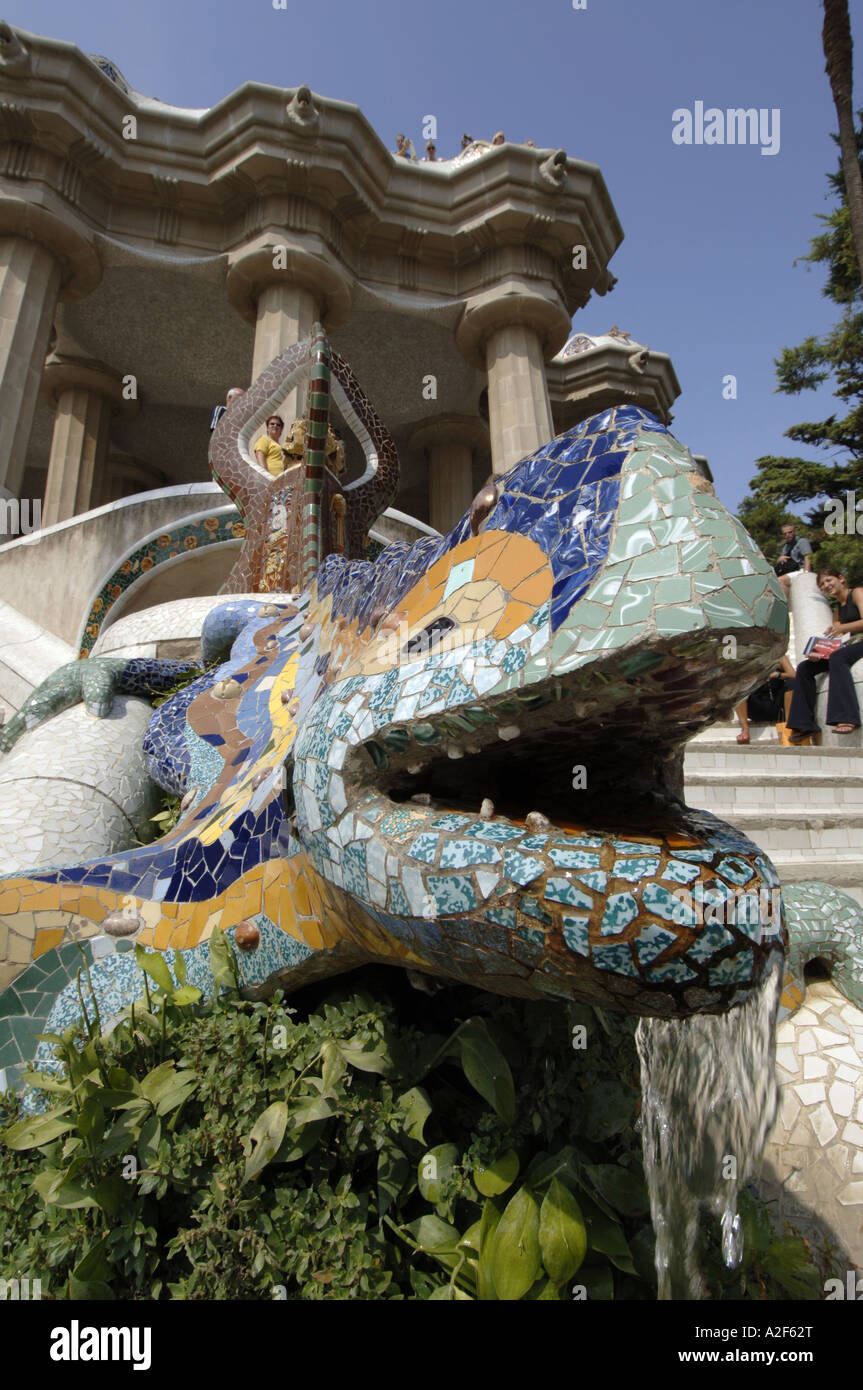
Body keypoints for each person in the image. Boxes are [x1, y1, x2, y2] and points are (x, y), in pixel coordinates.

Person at [786, 567, 863, 741]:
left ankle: (847, 717)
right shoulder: (837, 610)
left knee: (838, 658)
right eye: (821, 584)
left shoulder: (857, 593)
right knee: (805, 667)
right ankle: (803, 724)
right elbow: (835, 640)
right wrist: (818, 652)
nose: (826, 586)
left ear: (841, 578)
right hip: (853, 645)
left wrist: (841, 628)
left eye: (828, 580)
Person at [734, 655, 796, 744]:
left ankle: (789, 726)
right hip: (757, 706)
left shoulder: (780, 657)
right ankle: (745, 730)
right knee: (738, 690)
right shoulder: (747, 659)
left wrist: (778, 674)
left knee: (793, 682)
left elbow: (793, 674)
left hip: (778, 707)